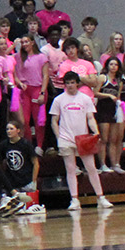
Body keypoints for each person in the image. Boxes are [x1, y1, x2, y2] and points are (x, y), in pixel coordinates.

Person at [50, 71, 107, 210]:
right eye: (67, 83)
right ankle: (74, 199)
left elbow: (90, 118)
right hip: (66, 139)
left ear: (77, 83)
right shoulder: (59, 100)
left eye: (72, 82)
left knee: (91, 168)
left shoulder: (85, 99)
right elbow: (54, 121)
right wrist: (59, 137)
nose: (70, 85)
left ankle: (101, 197)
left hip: (83, 138)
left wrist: (96, 132)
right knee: (70, 169)